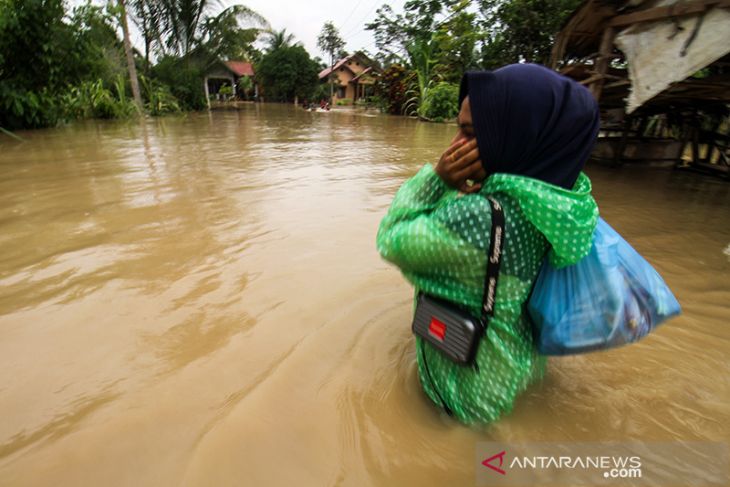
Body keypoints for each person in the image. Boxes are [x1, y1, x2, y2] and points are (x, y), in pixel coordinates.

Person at [376, 64, 601, 425]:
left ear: (514, 135)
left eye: (468, 132)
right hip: (518, 368)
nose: (454, 146)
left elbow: (392, 239)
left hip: (466, 397)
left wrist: (437, 181)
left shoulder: (477, 217)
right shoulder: (562, 202)